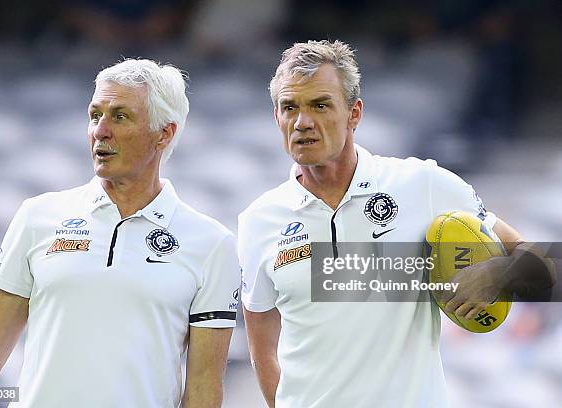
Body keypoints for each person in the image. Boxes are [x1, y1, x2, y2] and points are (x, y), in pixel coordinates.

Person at [238, 40, 556, 408]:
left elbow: (545, 269)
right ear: (277, 117)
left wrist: (500, 272)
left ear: (354, 113)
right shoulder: (259, 219)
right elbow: (261, 338)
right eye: (289, 107)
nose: (302, 122)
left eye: (320, 105)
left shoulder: (422, 184)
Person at [0, 59, 240, 408]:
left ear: (164, 133)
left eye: (120, 116)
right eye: (94, 115)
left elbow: (203, 391)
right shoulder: (38, 217)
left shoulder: (211, 244)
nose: (100, 130)